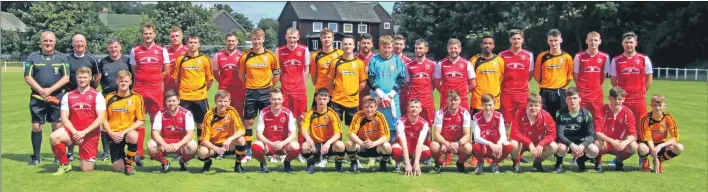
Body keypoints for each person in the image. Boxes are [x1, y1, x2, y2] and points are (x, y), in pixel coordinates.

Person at [49, 67, 106, 175]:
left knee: (86, 169)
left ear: (90, 78)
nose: (82, 80)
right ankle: (65, 164)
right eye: (80, 77)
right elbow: (64, 117)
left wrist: (83, 133)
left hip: (90, 134)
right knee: (54, 136)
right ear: (76, 78)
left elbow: (101, 118)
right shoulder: (68, 95)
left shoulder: (97, 95)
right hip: (73, 132)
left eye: (85, 77)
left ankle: (86, 158)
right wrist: (76, 133)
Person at [25, 31, 70, 165]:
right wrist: (41, 90)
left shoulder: (62, 58)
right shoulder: (33, 57)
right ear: (41, 42)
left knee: (57, 126)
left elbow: (66, 77)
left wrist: (50, 90)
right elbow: (27, 76)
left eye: (50, 41)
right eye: (45, 41)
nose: (48, 43)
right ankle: (36, 157)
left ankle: (58, 155)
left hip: (56, 96)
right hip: (37, 97)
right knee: (36, 126)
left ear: (54, 42)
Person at [130, 24, 170, 162]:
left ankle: (155, 150)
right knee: (139, 120)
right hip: (140, 89)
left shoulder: (161, 50)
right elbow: (135, 70)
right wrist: (144, 80)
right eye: (145, 33)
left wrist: (156, 79)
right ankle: (139, 152)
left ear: (155, 34)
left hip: (156, 90)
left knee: (156, 120)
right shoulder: (135, 50)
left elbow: (166, 70)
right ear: (143, 35)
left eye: (150, 33)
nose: (148, 35)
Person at [239, 28, 280, 163]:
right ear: (251, 40)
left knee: (269, 122)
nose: (257, 42)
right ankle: (248, 152)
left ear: (263, 40)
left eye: (259, 39)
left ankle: (270, 152)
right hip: (250, 92)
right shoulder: (245, 56)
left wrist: (269, 86)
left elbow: (277, 73)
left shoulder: (271, 56)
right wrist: (250, 85)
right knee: (249, 122)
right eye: (254, 39)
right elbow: (241, 75)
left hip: (266, 92)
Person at [609, 32, 653, 143]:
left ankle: (643, 157)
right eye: (626, 42)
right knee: (621, 128)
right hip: (623, 100)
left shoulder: (644, 59)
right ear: (622, 44)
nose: (629, 45)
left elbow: (649, 79)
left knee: (642, 128)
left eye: (631, 42)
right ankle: (619, 156)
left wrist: (642, 91)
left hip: (639, 100)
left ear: (636, 43)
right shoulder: (616, 60)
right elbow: (613, 80)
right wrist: (620, 94)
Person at [499, 29, 535, 164]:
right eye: (513, 39)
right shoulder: (502, 55)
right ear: (510, 40)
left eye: (518, 38)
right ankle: (505, 151)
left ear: (522, 40)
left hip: (522, 94)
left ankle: (520, 152)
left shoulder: (528, 55)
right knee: (506, 123)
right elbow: (500, 74)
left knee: (522, 123)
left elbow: (530, 74)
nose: (516, 41)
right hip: (507, 93)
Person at [101, 70, 145, 176]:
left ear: (130, 82)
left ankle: (129, 164)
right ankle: (133, 156)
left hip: (127, 132)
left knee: (133, 135)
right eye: (121, 81)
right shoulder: (109, 97)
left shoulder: (137, 98)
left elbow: (141, 120)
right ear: (117, 81)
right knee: (118, 168)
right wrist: (111, 133)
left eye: (126, 81)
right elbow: (103, 119)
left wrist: (124, 132)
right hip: (113, 133)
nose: (123, 83)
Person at [171, 35, 213, 139]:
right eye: (190, 42)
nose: (192, 45)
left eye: (195, 42)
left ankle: (201, 147)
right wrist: (182, 90)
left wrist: (202, 90)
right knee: (183, 125)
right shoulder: (180, 59)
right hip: (184, 97)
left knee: (201, 124)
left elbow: (210, 79)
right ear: (186, 44)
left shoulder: (205, 59)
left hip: (200, 98)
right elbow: (175, 78)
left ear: (199, 44)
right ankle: (185, 150)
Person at [368, 35, 408, 144]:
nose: (387, 50)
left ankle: (391, 152)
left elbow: (402, 79)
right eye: (384, 47)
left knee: (394, 124)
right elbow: (370, 79)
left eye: (389, 47)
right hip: (377, 98)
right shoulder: (374, 60)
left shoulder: (397, 60)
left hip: (392, 98)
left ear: (392, 47)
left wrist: (390, 95)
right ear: (379, 47)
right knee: (376, 123)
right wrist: (380, 94)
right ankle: (376, 152)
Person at [98, 39, 133, 161]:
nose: (113, 49)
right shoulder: (103, 62)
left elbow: (132, 77)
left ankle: (130, 150)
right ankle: (106, 151)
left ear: (120, 47)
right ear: (108, 49)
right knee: (105, 123)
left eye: (115, 47)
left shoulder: (127, 61)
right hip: (108, 96)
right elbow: (99, 78)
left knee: (125, 122)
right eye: (111, 47)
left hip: (125, 96)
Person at [251, 88, 301, 173]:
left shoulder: (288, 113)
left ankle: (287, 162)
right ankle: (263, 163)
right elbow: (258, 134)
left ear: (283, 99)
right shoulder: (263, 112)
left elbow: (293, 134)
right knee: (255, 146)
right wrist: (270, 143)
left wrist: (282, 143)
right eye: (274, 99)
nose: (277, 102)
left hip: (283, 145)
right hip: (268, 145)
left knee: (296, 146)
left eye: (279, 99)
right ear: (270, 99)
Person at [147, 89, 198, 173]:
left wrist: (178, 144)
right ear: (166, 102)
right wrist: (165, 145)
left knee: (193, 145)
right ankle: (164, 162)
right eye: (169, 101)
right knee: (151, 145)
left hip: (181, 144)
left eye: (174, 101)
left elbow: (190, 134)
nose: (171, 103)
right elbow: (155, 133)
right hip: (165, 143)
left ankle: (183, 162)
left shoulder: (186, 113)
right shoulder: (160, 114)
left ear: (178, 101)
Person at [197, 91, 248, 173]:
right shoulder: (209, 115)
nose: (223, 104)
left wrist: (230, 139)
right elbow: (204, 140)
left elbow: (242, 130)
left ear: (229, 102)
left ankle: (238, 165)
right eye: (220, 101)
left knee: (241, 139)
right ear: (215, 102)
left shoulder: (232, 111)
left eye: (225, 101)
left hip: (227, 145)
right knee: (202, 152)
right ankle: (207, 163)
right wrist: (216, 148)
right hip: (213, 146)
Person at [509, 93, 558, 173]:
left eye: (536, 106)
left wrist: (542, 143)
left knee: (554, 146)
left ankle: (537, 162)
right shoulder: (519, 113)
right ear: (527, 105)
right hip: (522, 143)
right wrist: (529, 143)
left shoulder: (546, 115)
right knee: (513, 143)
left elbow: (552, 134)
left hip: (537, 143)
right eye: (531, 105)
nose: (533, 108)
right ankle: (516, 162)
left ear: (540, 106)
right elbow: (514, 133)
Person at [300, 88, 346, 174]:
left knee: (340, 145)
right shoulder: (310, 113)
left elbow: (338, 133)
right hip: (315, 144)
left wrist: (328, 143)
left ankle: (338, 164)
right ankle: (311, 163)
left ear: (328, 100)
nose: (322, 101)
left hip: (329, 145)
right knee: (305, 146)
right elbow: (303, 128)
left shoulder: (333, 114)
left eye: (324, 99)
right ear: (316, 99)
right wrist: (308, 138)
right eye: (320, 99)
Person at [554, 87, 598, 173]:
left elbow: (592, 135)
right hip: (566, 141)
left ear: (580, 99)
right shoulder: (560, 113)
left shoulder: (586, 114)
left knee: (594, 150)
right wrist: (571, 144)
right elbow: (560, 134)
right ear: (566, 100)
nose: (572, 101)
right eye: (569, 98)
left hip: (581, 141)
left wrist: (582, 145)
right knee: (561, 148)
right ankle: (559, 163)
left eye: (575, 98)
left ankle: (580, 161)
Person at [574, 31, 610, 136]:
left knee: (597, 120)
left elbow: (603, 77)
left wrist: (595, 87)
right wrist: (582, 88)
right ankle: (581, 144)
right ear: (586, 41)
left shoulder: (605, 57)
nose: (593, 42)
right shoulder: (579, 56)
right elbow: (576, 76)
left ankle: (596, 144)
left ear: (600, 42)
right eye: (591, 40)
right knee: (581, 119)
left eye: (595, 40)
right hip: (582, 94)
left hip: (597, 95)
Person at [594, 87, 637, 172]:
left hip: (620, 144)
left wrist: (625, 142)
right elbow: (597, 132)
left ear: (624, 99)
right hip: (606, 143)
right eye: (614, 98)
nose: (617, 101)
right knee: (597, 143)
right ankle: (598, 162)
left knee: (634, 146)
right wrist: (612, 141)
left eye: (620, 99)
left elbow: (633, 134)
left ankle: (619, 160)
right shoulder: (601, 110)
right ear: (609, 98)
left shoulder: (628, 112)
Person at [637, 94, 683, 173]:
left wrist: (660, 146)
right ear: (651, 105)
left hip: (661, 144)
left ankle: (660, 160)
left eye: (660, 105)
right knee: (641, 147)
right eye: (655, 105)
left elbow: (675, 137)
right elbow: (647, 137)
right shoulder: (645, 118)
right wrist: (653, 150)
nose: (657, 108)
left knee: (679, 147)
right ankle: (645, 163)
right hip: (648, 144)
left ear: (664, 106)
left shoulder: (668, 117)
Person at [328, 35, 367, 126]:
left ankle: (352, 141)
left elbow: (363, 82)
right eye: (345, 44)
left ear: (354, 46)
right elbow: (330, 80)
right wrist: (334, 92)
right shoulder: (335, 62)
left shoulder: (359, 63)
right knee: (335, 127)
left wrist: (354, 92)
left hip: (352, 101)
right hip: (337, 100)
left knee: (353, 128)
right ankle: (337, 141)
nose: (347, 46)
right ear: (342, 46)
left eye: (350, 44)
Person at [346, 96, 392, 172]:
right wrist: (361, 143)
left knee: (387, 146)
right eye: (366, 107)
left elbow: (386, 136)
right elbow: (351, 133)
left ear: (376, 107)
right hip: (362, 146)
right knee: (349, 144)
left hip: (376, 146)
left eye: (371, 107)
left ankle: (383, 163)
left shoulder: (380, 116)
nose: (369, 109)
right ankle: (353, 162)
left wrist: (374, 143)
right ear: (363, 108)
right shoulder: (358, 116)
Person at [534, 29, 574, 117]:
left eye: (555, 40)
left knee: (561, 118)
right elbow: (537, 75)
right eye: (551, 40)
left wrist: (560, 85)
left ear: (560, 40)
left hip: (561, 91)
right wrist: (546, 84)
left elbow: (569, 76)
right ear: (547, 41)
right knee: (544, 117)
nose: (553, 43)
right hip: (545, 91)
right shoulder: (542, 56)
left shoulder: (567, 57)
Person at [430, 90, 473, 173]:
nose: (453, 102)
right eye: (451, 100)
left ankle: (460, 163)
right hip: (444, 144)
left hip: (458, 144)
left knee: (469, 148)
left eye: (456, 100)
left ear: (460, 100)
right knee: (434, 146)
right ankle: (438, 163)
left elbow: (467, 135)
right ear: (447, 100)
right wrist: (447, 144)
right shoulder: (440, 113)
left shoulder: (465, 113)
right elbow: (436, 134)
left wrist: (457, 143)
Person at [472, 94, 512, 174]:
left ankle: (495, 163)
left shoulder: (499, 116)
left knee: (508, 146)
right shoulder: (476, 116)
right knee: (476, 146)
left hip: (496, 146)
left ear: (494, 105)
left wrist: (499, 143)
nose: (488, 108)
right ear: (481, 105)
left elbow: (503, 134)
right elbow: (476, 137)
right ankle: (480, 163)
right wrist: (490, 143)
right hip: (484, 146)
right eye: (485, 105)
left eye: (490, 105)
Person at [391, 99, 431, 176]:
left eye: (417, 107)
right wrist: (407, 163)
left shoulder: (424, 124)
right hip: (403, 146)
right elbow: (403, 144)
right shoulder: (400, 122)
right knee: (395, 150)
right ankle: (399, 163)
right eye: (412, 106)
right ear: (408, 108)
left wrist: (416, 162)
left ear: (420, 109)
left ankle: (414, 164)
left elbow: (420, 144)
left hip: (415, 148)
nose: (414, 109)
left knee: (427, 152)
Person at [434, 38, 475, 110]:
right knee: (445, 121)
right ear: (447, 49)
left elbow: (472, 84)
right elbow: (436, 83)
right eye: (451, 48)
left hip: (462, 101)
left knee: (463, 121)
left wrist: (464, 93)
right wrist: (445, 93)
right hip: (446, 101)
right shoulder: (441, 64)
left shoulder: (467, 63)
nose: (453, 50)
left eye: (455, 48)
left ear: (460, 49)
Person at [469, 35, 504, 114]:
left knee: (494, 125)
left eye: (490, 43)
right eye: (485, 43)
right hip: (478, 101)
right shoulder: (474, 60)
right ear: (481, 45)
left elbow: (501, 78)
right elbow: (470, 80)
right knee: (476, 125)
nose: (487, 45)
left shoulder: (499, 60)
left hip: (494, 100)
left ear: (493, 46)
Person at [309, 28, 342, 106]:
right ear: (321, 38)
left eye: (329, 37)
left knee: (333, 117)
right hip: (320, 91)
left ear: (333, 38)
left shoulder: (340, 54)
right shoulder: (315, 55)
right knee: (315, 116)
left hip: (335, 92)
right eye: (324, 37)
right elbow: (313, 76)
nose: (326, 39)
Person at [406, 39, 436, 124]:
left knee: (428, 125)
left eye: (420, 48)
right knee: (413, 124)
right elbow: (407, 83)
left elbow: (434, 82)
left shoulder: (433, 64)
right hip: (413, 99)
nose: (418, 50)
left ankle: (428, 138)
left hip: (427, 100)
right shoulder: (408, 65)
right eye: (416, 48)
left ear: (426, 49)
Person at [165, 26, 189, 94]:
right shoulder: (165, 52)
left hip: (185, 85)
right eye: (172, 36)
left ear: (182, 37)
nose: (175, 38)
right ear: (170, 38)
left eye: (177, 36)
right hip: (169, 86)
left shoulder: (189, 51)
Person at [393, 35, 412, 115]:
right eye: (396, 44)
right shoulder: (387, 59)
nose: (398, 46)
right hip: (391, 93)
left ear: (404, 46)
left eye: (401, 44)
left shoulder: (409, 62)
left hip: (404, 94)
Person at [356, 33, 375, 110]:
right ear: (359, 44)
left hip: (373, 95)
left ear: (372, 44)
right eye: (363, 43)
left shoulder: (377, 59)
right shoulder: (354, 59)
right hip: (358, 95)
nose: (366, 45)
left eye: (368, 43)